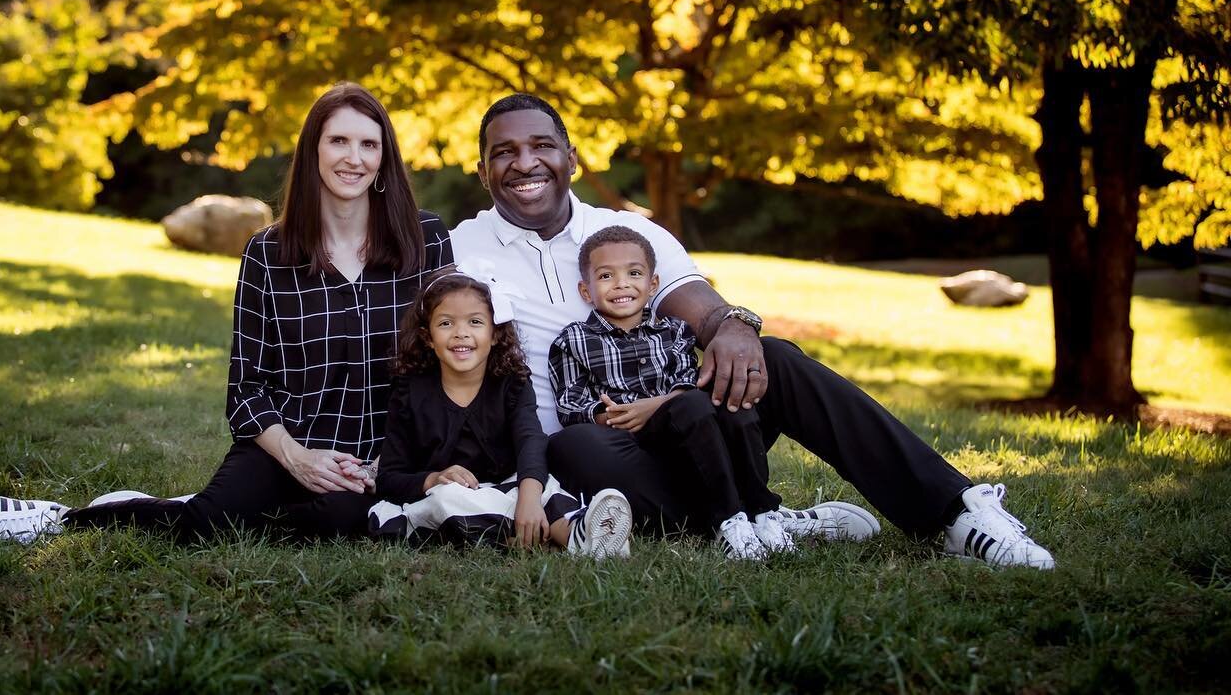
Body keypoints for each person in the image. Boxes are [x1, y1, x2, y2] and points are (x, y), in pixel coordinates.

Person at [449, 93, 1054, 569]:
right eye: (504, 152)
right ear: (482, 172)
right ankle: (760, 516)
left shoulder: (630, 232)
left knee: (777, 357)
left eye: (541, 146)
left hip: (695, 428)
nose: (524, 163)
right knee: (576, 445)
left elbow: (695, 302)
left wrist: (732, 326)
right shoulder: (463, 247)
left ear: (571, 157)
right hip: (593, 453)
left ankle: (957, 513)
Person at [0, 83, 454, 544]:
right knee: (207, 525)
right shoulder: (268, 253)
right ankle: (69, 517)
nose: (354, 158)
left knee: (343, 521)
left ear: (385, 157)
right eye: (338, 141)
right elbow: (245, 390)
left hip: (383, 458)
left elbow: (446, 366)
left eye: (369, 145)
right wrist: (297, 459)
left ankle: (279, 504)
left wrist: (389, 462)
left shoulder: (426, 240)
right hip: (288, 441)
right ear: (313, 152)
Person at [550, 225, 878, 561]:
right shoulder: (572, 341)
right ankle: (731, 518)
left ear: (652, 285)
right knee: (587, 438)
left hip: (687, 433)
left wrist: (655, 406)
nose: (621, 284)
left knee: (719, 399)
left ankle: (763, 514)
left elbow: (687, 382)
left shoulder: (675, 331)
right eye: (606, 276)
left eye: (633, 273)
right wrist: (608, 415)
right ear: (586, 291)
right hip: (631, 448)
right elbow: (570, 404)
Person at [368, 270, 633, 559]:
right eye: (446, 323)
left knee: (541, 487)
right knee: (450, 499)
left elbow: (531, 441)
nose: (461, 332)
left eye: (475, 322)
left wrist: (530, 500)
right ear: (427, 336)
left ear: (495, 334)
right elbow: (389, 478)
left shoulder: (513, 383)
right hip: (443, 498)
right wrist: (433, 478)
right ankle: (568, 537)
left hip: (506, 486)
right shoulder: (410, 392)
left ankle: (579, 534)